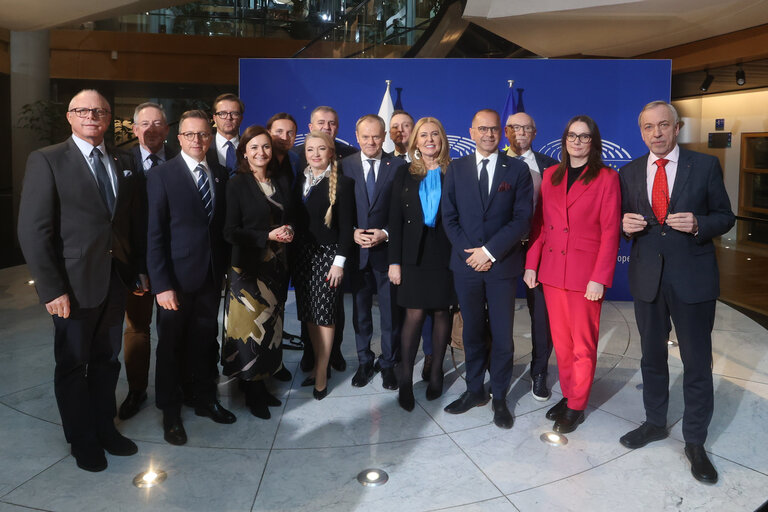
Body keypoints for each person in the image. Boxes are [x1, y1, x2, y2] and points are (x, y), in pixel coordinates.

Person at [17, 89, 143, 471]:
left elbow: (126, 224)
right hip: (71, 286)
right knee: (73, 364)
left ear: (109, 118)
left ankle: (105, 428)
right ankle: (82, 439)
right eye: (83, 110)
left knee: (106, 361)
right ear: (70, 117)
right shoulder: (48, 160)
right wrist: (51, 289)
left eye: (100, 111)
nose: (92, 116)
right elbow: (33, 231)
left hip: (114, 281)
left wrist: (135, 269)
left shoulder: (122, 159)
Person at [618, 101, 735, 484]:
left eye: (663, 125)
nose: (656, 133)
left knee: (697, 364)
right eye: (649, 127)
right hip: (648, 279)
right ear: (641, 132)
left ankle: (696, 442)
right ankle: (654, 422)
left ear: (677, 127)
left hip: (693, 280)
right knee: (651, 358)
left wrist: (700, 223)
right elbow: (620, 223)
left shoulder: (704, 166)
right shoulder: (630, 170)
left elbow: (725, 216)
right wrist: (625, 225)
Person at [523, 115, 621, 434]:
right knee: (562, 344)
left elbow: (610, 232)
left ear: (594, 142)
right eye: (572, 135)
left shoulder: (607, 178)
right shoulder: (551, 175)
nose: (577, 141)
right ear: (564, 139)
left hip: (585, 276)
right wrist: (531, 264)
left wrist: (600, 277)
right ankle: (568, 394)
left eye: (584, 136)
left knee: (582, 344)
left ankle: (577, 404)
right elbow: (539, 226)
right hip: (552, 273)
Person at [147, 109, 235, 446]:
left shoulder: (221, 174)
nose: (197, 140)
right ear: (178, 137)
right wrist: (162, 285)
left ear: (210, 138)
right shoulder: (162, 175)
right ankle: (170, 412)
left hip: (211, 278)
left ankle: (205, 399)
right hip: (175, 282)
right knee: (170, 347)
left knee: (205, 340)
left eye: (202, 134)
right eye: (189, 134)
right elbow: (154, 234)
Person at [441, 109, 532, 430]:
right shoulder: (456, 168)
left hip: (501, 266)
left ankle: (500, 397)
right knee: (472, 332)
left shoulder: (517, 170)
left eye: (494, 129)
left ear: (503, 132)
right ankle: (474, 390)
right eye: (482, 129)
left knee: (503, 337)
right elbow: (448, 217)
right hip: (466, 265)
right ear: (471, 131)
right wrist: (472, 253)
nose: (489, 134)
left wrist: (489, 252)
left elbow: (521, 218)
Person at [222, 126, 294, 419]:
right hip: (248, 272)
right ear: (244, 153)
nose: (260, 153)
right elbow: (230, 232)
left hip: (276, 267)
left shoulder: (280, 181)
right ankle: (251, 391)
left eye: (265, 147)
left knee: (271, 329)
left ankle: (263, 380)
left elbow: (288, 218)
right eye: (253, 148)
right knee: (249, 332)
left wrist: (289, 230)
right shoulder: (237, 184)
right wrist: (268, 235)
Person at [388, 117, 455, 411]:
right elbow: (394, 220)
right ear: (415, 141)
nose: (429, 140)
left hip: (445, 255)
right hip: (412, 255)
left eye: (435, 134)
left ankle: (437, 371)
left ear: (442, 139)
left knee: (442, 312)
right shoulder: (403, 173)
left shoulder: (455, 172)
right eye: (423, 135)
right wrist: (394, 263)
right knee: (413, 316)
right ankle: (405, 379)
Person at [119, 101, 178, 421]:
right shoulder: (119, 160)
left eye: (158, 124)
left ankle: (174, 389)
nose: (152, 129)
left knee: (172, 331)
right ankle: (136, 390)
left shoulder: (181, 158)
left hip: (175, 265)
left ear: (167, 129)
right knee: (138, 331)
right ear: (134, 128)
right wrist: (135, 267)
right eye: (145, 124)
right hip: (135, 265)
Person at [291, 130, 354, 400]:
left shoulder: (343, 184)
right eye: (310, 150)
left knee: (325, 316)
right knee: (309, 316)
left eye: (321, 149)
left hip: (328, 259)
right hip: (302, 257)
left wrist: (338, 263)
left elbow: (346, 228)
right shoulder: (299, 182)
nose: (315, 154)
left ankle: (320, 375)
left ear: (331, 152)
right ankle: (319, 363)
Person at [343, 114, 405, 390]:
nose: (371, 141)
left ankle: (388, 363)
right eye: (365, 136)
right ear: (357, 137)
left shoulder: (399, 166)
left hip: (387, 253)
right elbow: (338, 209)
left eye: (376, 136)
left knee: (391, 313)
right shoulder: (344, 166)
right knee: (360, 312)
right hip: (357, 254)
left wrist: (386, 233)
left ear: (385, 137)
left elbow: (406, 211)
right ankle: (365, 361)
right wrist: (352, 231)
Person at [505, 112, 558, 402]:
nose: (521, 132)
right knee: (497, 312)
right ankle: (495, 366)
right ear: (506, 131)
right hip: (501, 249)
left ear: (535, 133)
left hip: (538, 248)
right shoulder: (492, 161)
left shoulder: (551, 167)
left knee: (541, 315)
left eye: (527, 128)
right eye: (515, 127)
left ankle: (539, 370)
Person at [208, 93, 244, 176]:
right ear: (215, 118)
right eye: (222, 113)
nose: (228, 118)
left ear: (241, 119)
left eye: (234, 113)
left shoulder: (249, 147)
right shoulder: (203, 147)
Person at [267, 112, 300, 184]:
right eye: (279, 131)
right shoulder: (259, 158)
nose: (285, 138)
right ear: (269, 133)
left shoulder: (295, 160)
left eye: (290, 133)